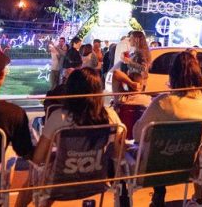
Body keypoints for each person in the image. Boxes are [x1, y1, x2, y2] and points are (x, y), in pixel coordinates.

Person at [14, 67, 123, 207]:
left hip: (61, 182)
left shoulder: (59, 117)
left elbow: (38, 159)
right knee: (54, 168)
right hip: (95, 180)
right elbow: (119, 153)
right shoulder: (110, 115)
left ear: (69, 90)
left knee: (37, 175)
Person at [133, 51, 202, 207]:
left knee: (154, 148)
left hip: (154, 169)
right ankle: (197, 197)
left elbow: (138, 134)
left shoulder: (163, 103)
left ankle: (158, 195)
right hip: (188, 168)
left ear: (172, 75)